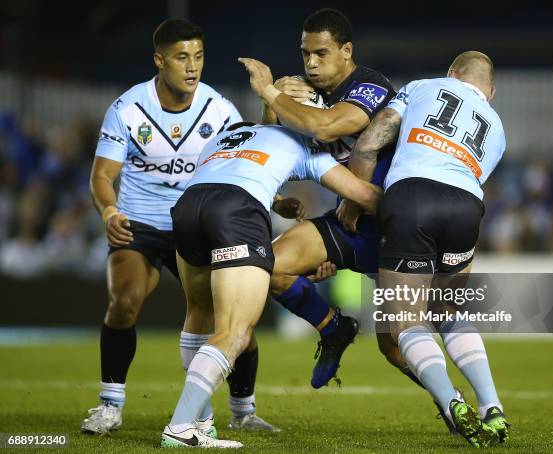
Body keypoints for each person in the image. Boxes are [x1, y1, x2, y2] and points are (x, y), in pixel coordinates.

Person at [83, 19, 276, 436]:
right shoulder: (128, 109)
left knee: (233, 320)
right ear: (159, 60)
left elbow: (243, 166)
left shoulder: (220, 110)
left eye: (199, 57)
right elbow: (101, 176)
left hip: (195, 223)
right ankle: (110, 405)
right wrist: (110, 212)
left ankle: (243, 410)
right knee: (124, 301)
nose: (193, 67)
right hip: (140, 224)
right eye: (182, 57)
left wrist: (277, 199)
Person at [161, 122, 381, 448]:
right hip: (235, 211)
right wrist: (414, 209)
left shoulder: (232, 133)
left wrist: (277, 200)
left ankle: (201, 422)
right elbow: (363, 195)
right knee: (234, 331)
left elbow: (236, 169)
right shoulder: (304, 141)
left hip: (189, 206)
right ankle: (180, 428)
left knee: (198, 314)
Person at [342, 51, 510, 447]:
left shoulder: (423, 86)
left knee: (405, 323)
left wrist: (352, 201)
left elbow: (370, 142)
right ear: (491, 91)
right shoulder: (498, 128)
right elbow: (472, 176)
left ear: (451, 73)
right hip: (467, 207)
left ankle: (451, 401)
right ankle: (492, 406)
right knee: (448, 310)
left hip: (413, 196)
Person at [238, 8, 398, 389]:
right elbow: (271, 146)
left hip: (395, 223)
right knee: (271, 267)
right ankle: (334, 329)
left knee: (396, 346)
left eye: (321, 53)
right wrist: (272, 106)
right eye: (305, 53)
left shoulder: (368, 86)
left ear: (346, 50)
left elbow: (326, 126)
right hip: (348, 221)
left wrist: (270, 92)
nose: (311, 62)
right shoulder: (306, 96)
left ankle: (453, 403)